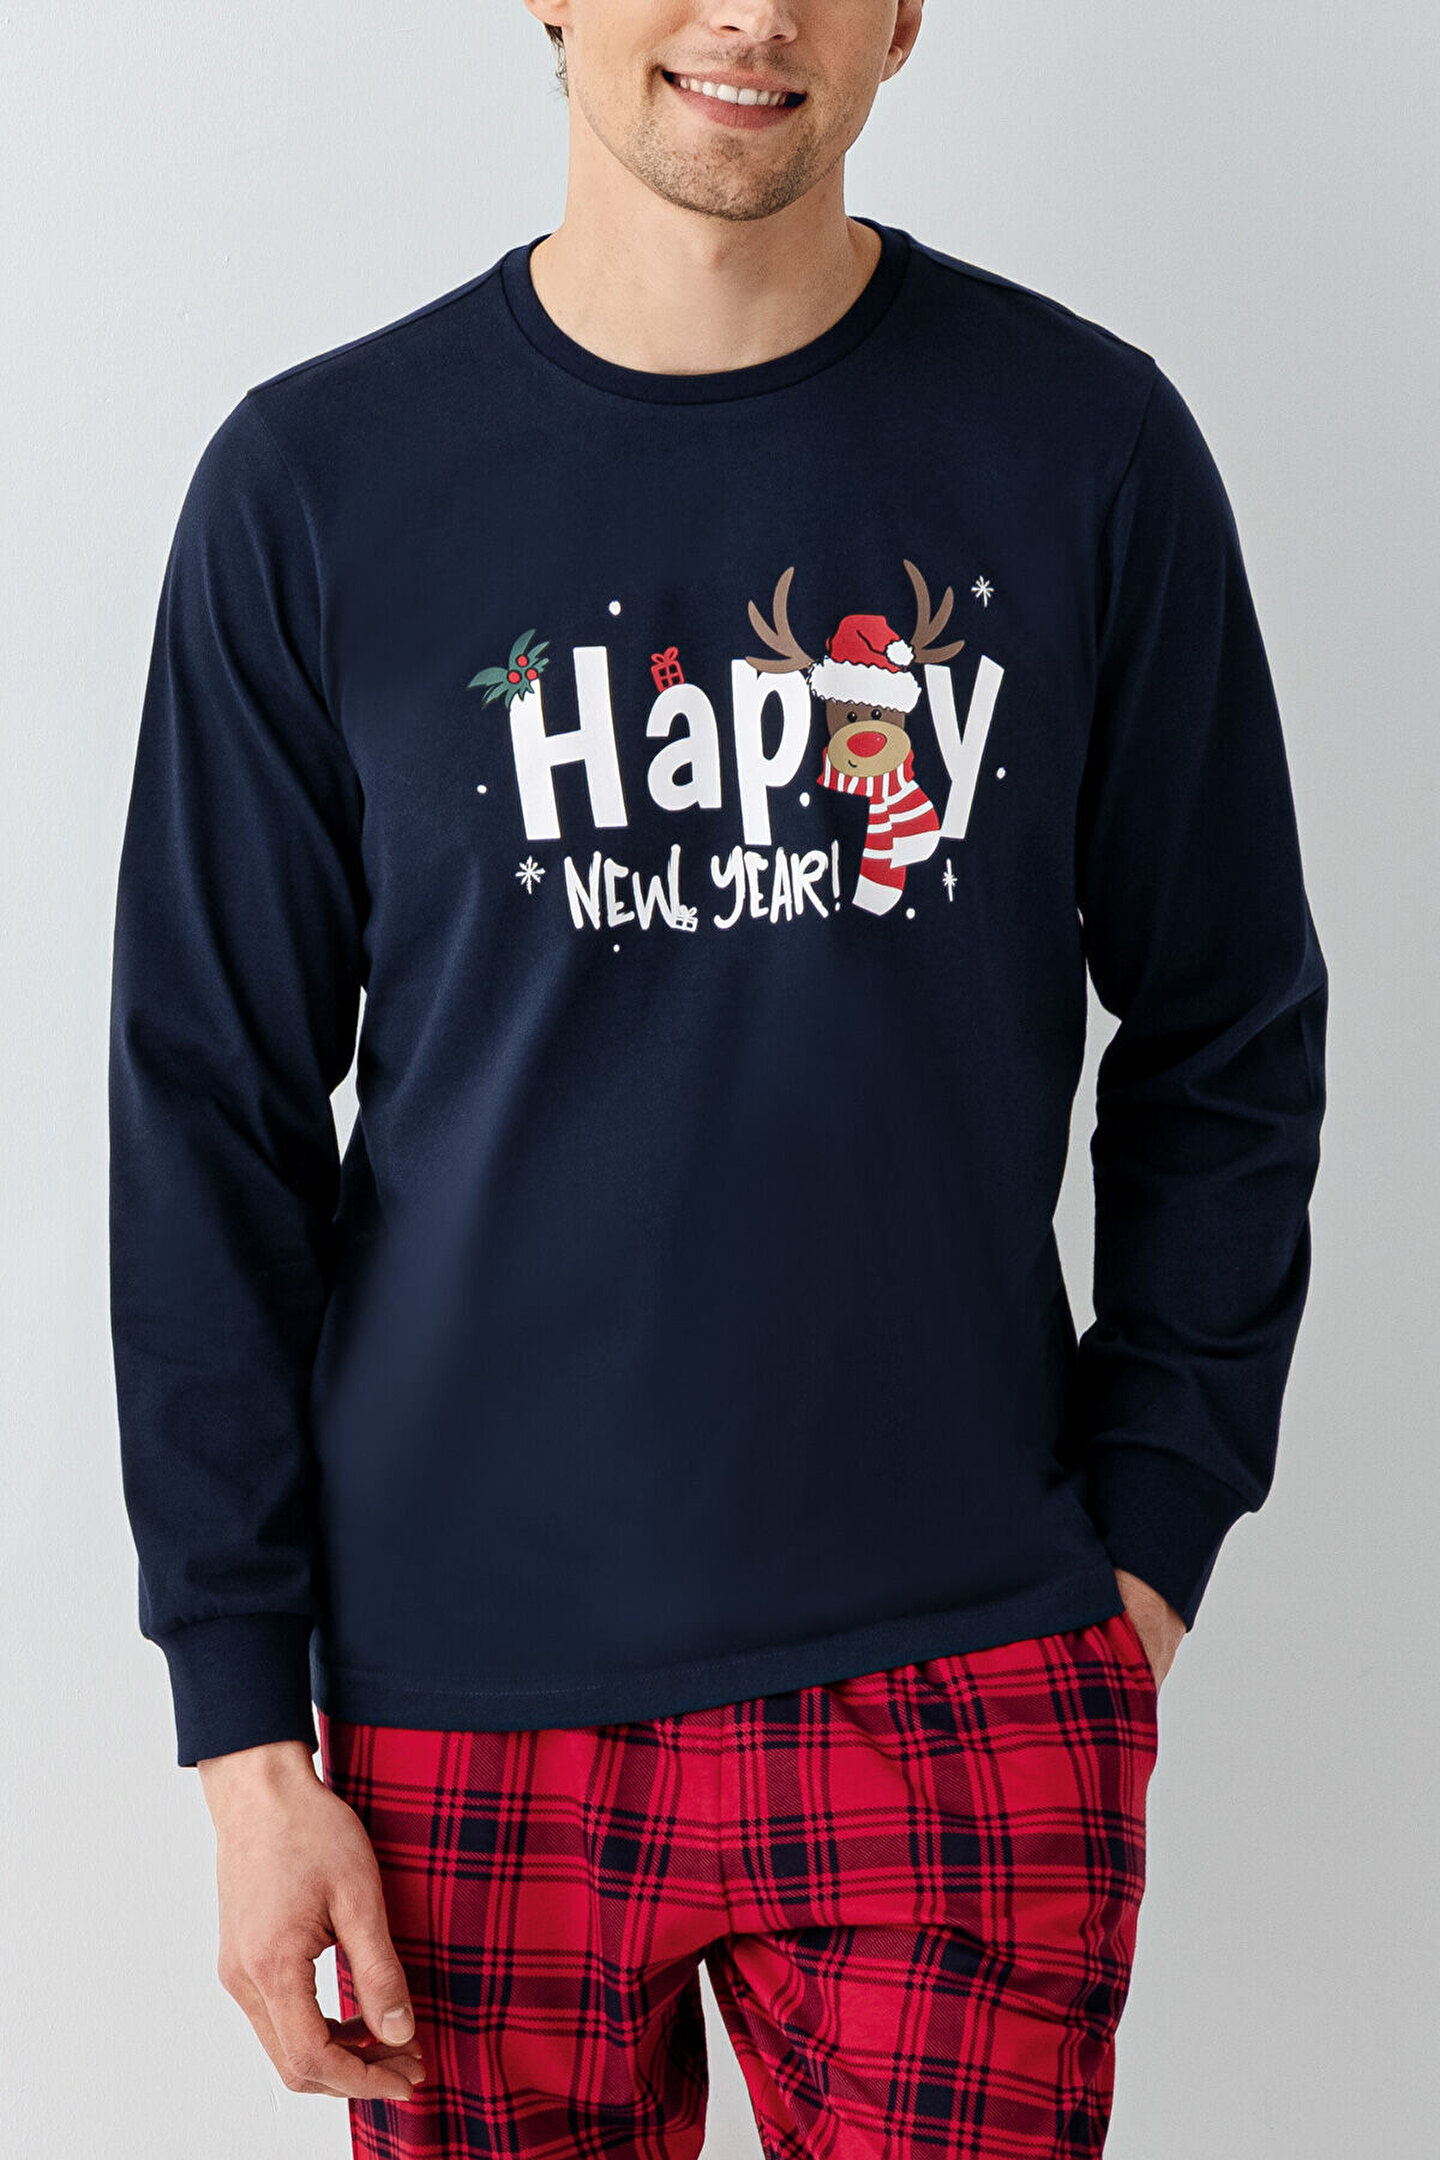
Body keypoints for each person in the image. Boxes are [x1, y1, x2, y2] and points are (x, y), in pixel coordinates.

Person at [107, 4, 1329, 2154]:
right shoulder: (315, 486)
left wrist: (1147, 1543)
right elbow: (205, 1113)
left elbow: (1227, 1025)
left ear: (905, 16)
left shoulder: (1086, 446)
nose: (751, 15)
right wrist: (242, 1732)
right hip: (460, 1705)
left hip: (962, 1669)